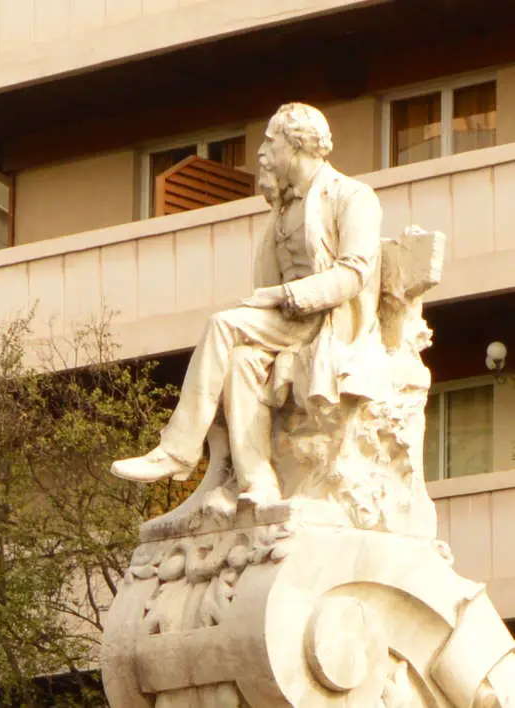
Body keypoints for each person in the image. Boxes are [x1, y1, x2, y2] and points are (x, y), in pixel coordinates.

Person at [110, 103, 384, 507]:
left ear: (296, 145)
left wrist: (284, 296)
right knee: (240, 362)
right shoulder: (284, 208)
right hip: (285, 320)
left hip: (328, 319)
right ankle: (259, 481)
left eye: (271, 144)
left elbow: (353, 273)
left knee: (223, 324)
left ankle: (177, 451)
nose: (265, 154)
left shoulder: (352, 196)